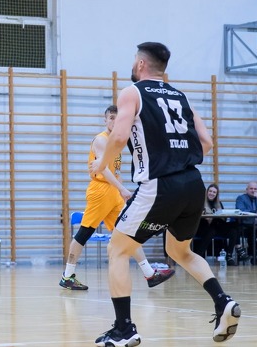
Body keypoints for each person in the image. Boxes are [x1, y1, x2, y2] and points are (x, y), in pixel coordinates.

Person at [89, 42, 240, 345]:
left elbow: (118, 137)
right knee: (180, 252)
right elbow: (207, 142)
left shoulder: (132, 93)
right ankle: (222, 302)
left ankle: (123, 329)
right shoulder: (181, 96)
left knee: (117, 250)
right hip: (193, 183)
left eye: (134, 59)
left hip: (160, 185)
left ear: (141, 64)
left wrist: (100, 165)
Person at [60, 105, 175, 291]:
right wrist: (122, 189)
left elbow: (115, 170)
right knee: (84, 233)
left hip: (113, 192)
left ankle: (149, 274)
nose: (114, 121)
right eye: (111, 118)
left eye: (117, 117)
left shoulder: (117, 142)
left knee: (128, 232)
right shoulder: (101, 140)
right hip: (100, 191)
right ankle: (67, 276)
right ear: (105, 120)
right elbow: (104, 170)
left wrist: (120, 189)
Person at [193, 184, 248, 264]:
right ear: (207, 192)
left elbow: (223, 218)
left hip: (217, 226)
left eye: (214, 192)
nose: (212, 193)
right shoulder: (201, 202)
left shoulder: (218, 203)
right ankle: (198, 257)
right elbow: (196, 216)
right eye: (210, 191)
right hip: (204, 227)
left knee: (234, 228)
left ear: (216, 194)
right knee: (211, 231)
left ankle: (229, 256)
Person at [234, 181, 257, 261]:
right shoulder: (241, 198)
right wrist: (256, 212)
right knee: (251, 234)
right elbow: (241, 211)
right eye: (251, 188)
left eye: (255, 189)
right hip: (244, 225)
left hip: (256, 224)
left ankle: (250, 250)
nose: (253, 190)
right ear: (247, 190)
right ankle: (252, 253)